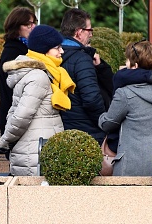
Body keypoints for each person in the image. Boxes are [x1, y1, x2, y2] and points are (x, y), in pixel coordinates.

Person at [98, 41, 152, 176]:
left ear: (135, 65)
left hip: (129, 166)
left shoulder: (125, 93)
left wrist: (101, 117)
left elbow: (108, 124)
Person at [0, 25, 76, 176]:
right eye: (57, 47)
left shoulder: (47, 73)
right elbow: (21, 116)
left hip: (36, 149)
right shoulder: (39, 77)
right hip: (34, 153)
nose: (62, 51)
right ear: (44, 49)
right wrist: (6, 141)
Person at [59, 8, 113, 145]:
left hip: (64, 127)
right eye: (89, 30)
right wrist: (103, 122)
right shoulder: (81, 59)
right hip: (87, 130)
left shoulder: (54, 54)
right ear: (79, 32)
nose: (91, 35)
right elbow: (91, 99)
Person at [0, 7, 37, 141]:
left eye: (34, 23)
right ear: (16, 27)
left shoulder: (28, 48)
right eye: (28, 24)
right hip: (14, 118)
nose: (33, 27)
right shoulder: (13, 51)